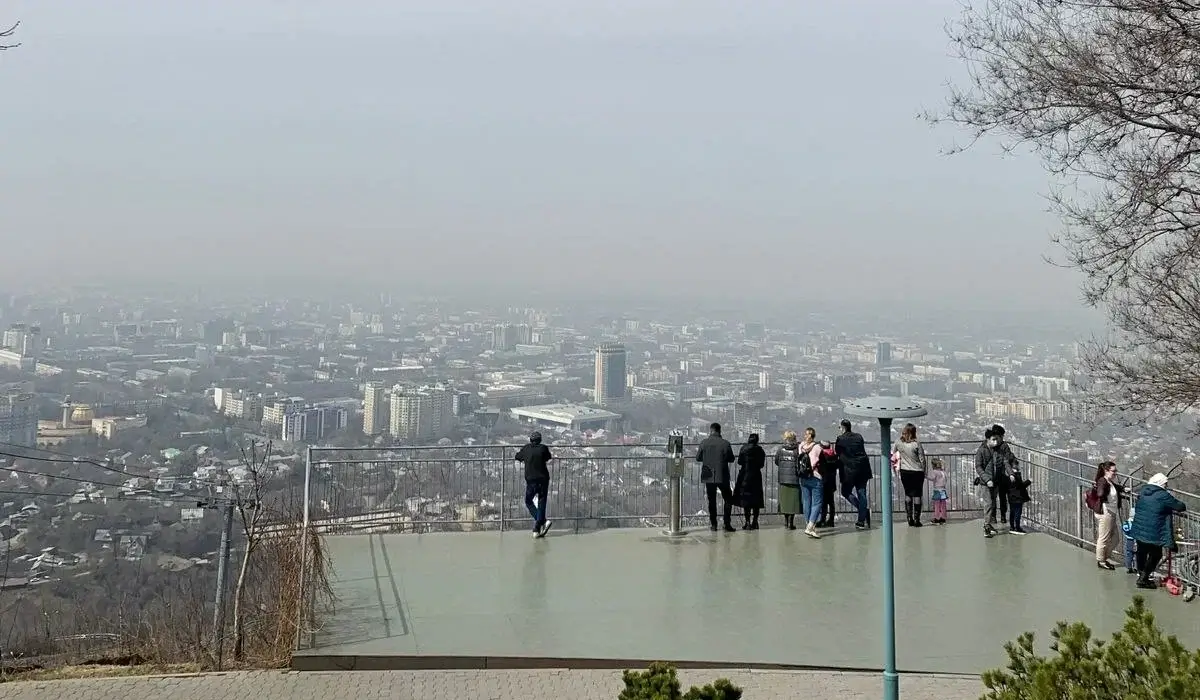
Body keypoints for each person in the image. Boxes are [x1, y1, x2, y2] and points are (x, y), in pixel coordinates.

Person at [1129, 472, 1188, 590]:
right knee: (1156, 554)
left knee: (1142, 551)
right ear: (1161, 483)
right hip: (1154, 530)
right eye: (1165, 483)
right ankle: (1143, 578)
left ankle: (1142, 574)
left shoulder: (1144, 491)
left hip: (1140, 527)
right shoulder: (1163, 495)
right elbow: (1180, 506)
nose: (1166, 486)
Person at [974, 425, 1017, 539]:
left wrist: (1011, 473)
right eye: (993, 439)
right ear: (988, 439)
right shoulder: (981, 451)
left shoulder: (998, 450)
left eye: (997, 439)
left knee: (992, 503)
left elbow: (1005, 462)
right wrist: (987, 480)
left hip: (996, 481)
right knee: (988, 503)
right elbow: (978, 467)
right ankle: (986, 526)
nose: (996, 441)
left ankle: (989, 524)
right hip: (986, 483)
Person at [696, 422, 737, 533]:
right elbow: (731, 458)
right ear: (720, 431)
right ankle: (726, 523)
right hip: (722, 475)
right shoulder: (725, 444)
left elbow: (698, 458)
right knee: (728, 499)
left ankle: (714, 524)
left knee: (711, 501)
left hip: (708, 476)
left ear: (711, 431)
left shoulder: (704, 443)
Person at [1089, 461, 1129, 570]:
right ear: (1106, 471)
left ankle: (1104, 557)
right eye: (1113, 471)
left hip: (1111, 512)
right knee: (1104, 538)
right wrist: (1103, 493)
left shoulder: (1109, 481)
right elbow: (1101, 493)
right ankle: (1101, 561)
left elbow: (1115, 487)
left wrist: (1123, 489)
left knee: (1115, 538)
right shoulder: (1103, 481)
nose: (1115, 473)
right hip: (1106, 513)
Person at [515, 431, 554, 538]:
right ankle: (539, 525)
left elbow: (517, 456)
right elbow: (548, 457)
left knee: (528, 501)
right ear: (540, 440)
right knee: (542, 502)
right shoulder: (543, 448)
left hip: (531, 480)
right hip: (543, 479)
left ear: (530, 440)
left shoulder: (526, 448)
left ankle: (540, 524)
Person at [835, 419, 872, 530]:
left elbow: (838, 452)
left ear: (843, 428)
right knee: (862, 493)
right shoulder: (859, 437)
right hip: (863, 468)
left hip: (849, 471)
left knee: (845, 492)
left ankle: (864, 511)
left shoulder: (840, 439)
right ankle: (861, 520)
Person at [892, 423, 928, 527]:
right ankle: (917, 519)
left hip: (905, 472)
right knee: (917, 494)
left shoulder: (898, 443)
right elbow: (922, 459)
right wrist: (924, 470)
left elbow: (893, 455)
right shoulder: (917, 444)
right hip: (917, 472)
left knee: (908, 494)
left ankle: (909, 518)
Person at [734, 433, 766, 530]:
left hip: (745, 476)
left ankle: (747, 522)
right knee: (756, 500)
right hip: (756, 476)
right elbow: (761, 465)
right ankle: (755, 522)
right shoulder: (760, 450)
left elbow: (739, 462)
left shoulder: (743, 449)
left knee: (746, 500)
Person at [798, 427, 825, 539]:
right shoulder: (818, 447)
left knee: (806, 501)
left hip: (803, 477)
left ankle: (808, 524)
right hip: (815, 476)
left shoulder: (801, 447)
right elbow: (823, 462)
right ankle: (810, 526)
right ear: (814, 436)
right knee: (817, 503)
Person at [775, 430, 803, 530]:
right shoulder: (797, 450)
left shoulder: (780, 449)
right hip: (794, 479)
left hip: (783, 479)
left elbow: (776, 461)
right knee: (793, 502)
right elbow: (800, 463)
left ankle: (786, 522)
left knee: (785, 502)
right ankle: (791, 522)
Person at [816, 434, 840, 529]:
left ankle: (822, 520)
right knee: (831, 502)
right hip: (832, 481)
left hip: (824, 480)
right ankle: (831, 520)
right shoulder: (834, 455)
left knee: (823, 502)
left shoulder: (822, 455)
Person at [1007, 464, 1032, 535]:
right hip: (1018, 498)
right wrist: (1029, 481)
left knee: (1012, 512)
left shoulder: (1007, 476)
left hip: (1011, 497)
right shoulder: (1016, 475)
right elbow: (1020, 486)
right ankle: (1017, 528)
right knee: (1018, 513)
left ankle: (1012, 527)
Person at [927, 457, 948, 525]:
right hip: (943, 490)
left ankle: (937, 518)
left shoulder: (935, 472)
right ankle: (943, 518)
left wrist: (926, 476)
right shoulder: (943, 472)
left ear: (933, 465)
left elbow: (932, 478)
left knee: (937, 505)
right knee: (943, 505)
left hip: (937, 490)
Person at [1122, 505, 1137, 574]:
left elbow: (1124, 529)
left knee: (1129, 553)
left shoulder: (1127, 522)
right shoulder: (1137, 523)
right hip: (1136, 540)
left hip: (1129, 540)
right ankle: (1137, 567)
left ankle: (1129, 567)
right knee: (1137, 554)